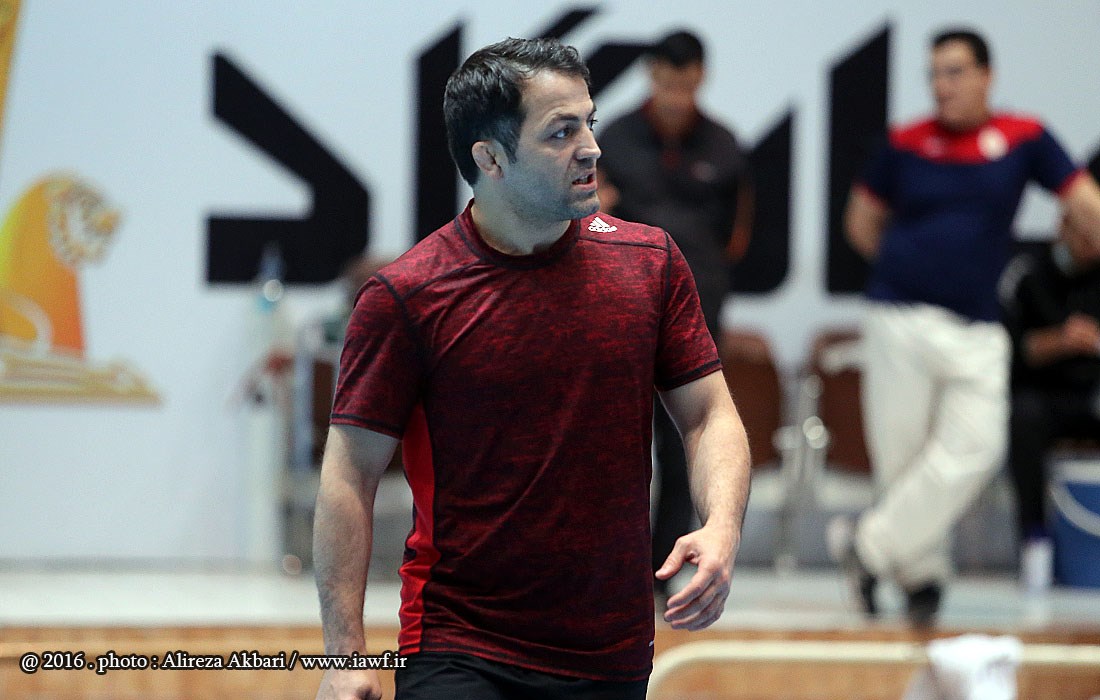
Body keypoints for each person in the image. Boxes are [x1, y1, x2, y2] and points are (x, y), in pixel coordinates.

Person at [312, 37, 752, 700]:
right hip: (460, 647)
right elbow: (350, 473)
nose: (592, 148)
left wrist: (721, 525)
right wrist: (344, 656)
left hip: (611, 652)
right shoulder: (410, 295)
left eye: (589, 123)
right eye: (560, 132)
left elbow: (709, 415)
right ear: (489, 158)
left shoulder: (650, 264)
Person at [835, 27, 1100, 627]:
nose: (942, 86)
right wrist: (911, 270)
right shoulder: (904, 142)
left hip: (979, 324)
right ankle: (922, 579)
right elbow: (861, 222)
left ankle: (867, 548)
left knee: (980, 446)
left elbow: (1084, 202)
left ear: (986, 75)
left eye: (954, 72)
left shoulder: (1023, 138)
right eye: (933, 74)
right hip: (900, 317)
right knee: (901, 457)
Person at [596, 30, 754, 604]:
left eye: (684, 83)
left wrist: (701, 282)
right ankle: (611, 566)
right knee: (615, 436)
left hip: (695, 309)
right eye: (666, 81)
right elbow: (591, 213)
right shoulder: (613, 139)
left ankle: (662, 570)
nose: (675, 95)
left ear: (700, 78)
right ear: (651, 75)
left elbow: (737, 235)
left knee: (690, 433)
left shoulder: (725, 146)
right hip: (617, 307)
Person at [1002, 213, 1100, 591]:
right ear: (1064, 226)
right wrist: (1061, 340)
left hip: (1093, 395)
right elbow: (1013, 350)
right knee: (1022, 417)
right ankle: (1035, 541)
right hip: (1043, 396)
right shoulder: (1027, 274)